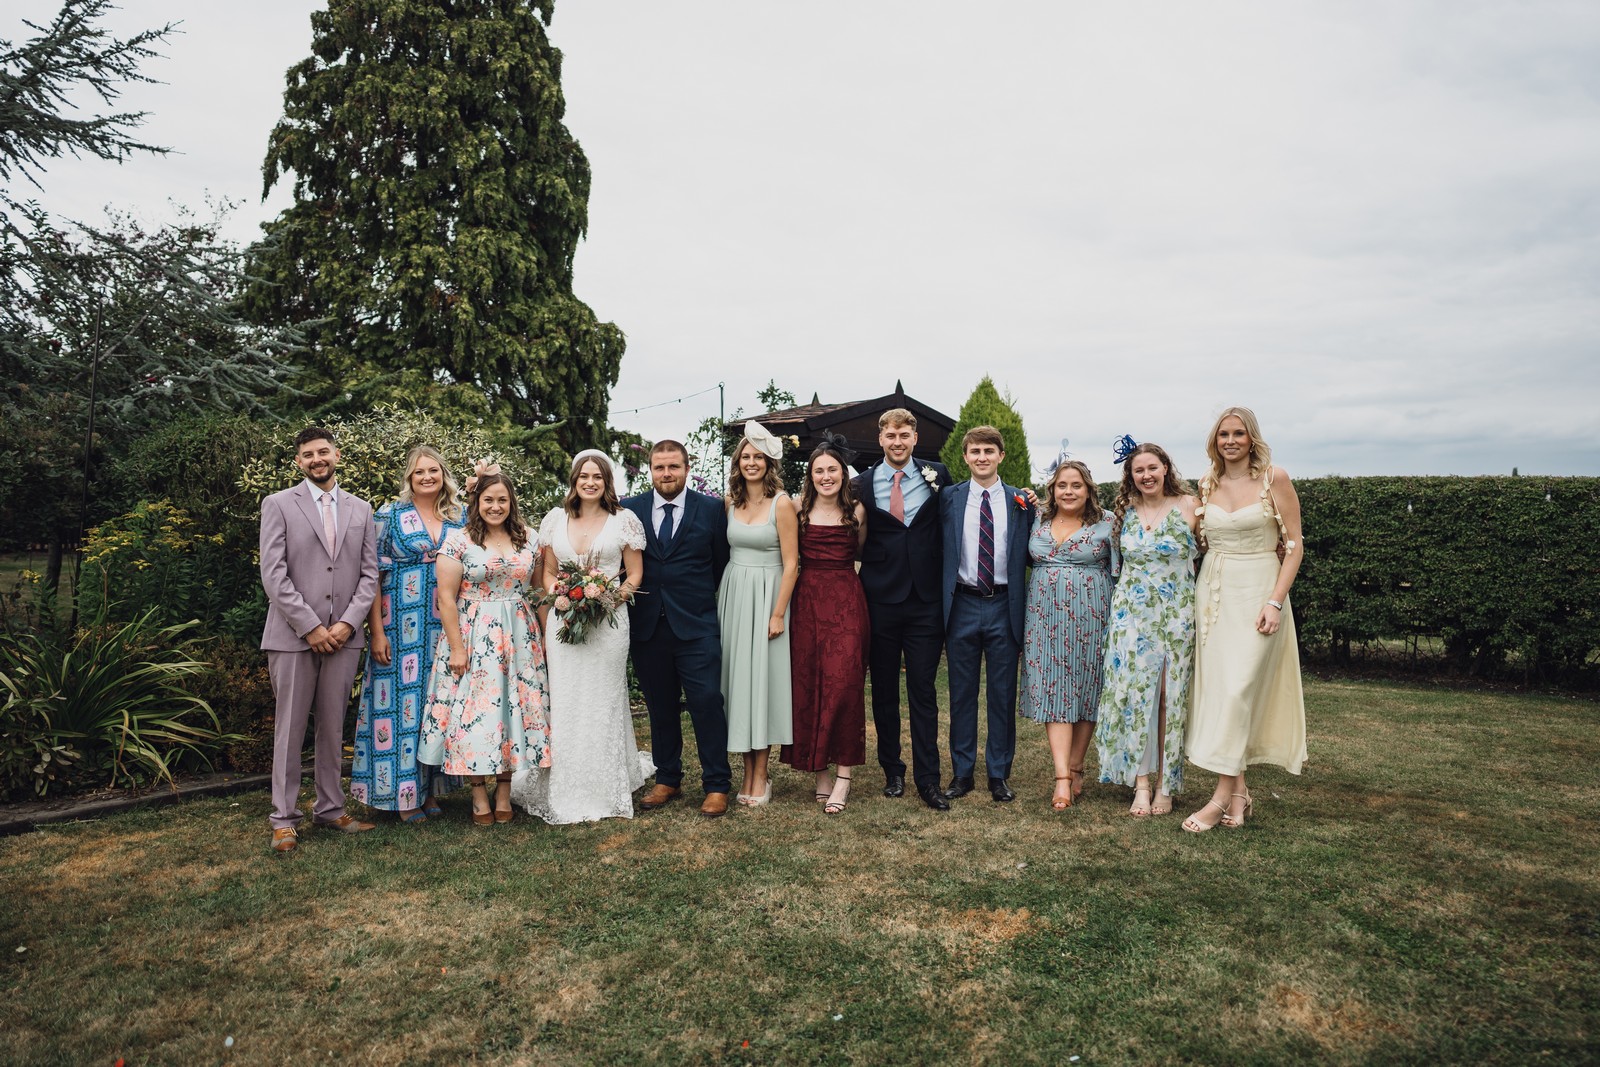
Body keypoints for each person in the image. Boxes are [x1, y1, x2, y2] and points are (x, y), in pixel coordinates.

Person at [1183, 407, 1308, 832]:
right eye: (1223, 434)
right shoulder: (1206, 483)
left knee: (1238, 691)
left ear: (1251, 438)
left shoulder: (1276, 479)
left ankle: (1219, 799)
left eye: (1238, 433)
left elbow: (1294, 547)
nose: (1231, 440)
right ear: (1215, 441)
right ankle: (1239, 794)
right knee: (1222, 693)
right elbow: (1196, 539)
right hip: (1213, 595)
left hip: (1258, 592)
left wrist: (1275, 602)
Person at [512, 451, 654, 823]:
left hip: (609, 624)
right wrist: (560, 597)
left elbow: (634, 575)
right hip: (563, 623)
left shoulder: (624, 520)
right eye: (583, 476)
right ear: (574, 481)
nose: (590, 482)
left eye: (597, 477)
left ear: (607, 482)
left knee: (604, 700)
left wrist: (608, 600)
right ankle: (563, 784)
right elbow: (547, 571)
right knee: (567, 700)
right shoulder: (556, 519)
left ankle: (607, 786)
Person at [259, 426, 379, 853]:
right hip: (293, 637)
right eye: (307, 454)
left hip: (344, 638)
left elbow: (369, 575)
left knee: (332, 728)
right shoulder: (277, 505)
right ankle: (284, 819)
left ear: (337, 455)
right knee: (289, 729)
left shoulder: (361, 510)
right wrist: (310, 626)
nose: (316, 459)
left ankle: (330, 807)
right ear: (298, 462)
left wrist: (348, 623)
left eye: (323, 451)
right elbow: (273, 575)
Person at [418, 473, 550, 825]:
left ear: (511, 503)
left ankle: (504, 791)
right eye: (488, 500)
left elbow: (537, 592)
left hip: (519, 634)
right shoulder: (459, 541)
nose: (495, 506)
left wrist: (546, 638)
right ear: (477, 503)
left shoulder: (530, 539)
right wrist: (457, 650)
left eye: (502, 500)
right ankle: (478, 794)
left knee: (512, 711)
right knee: (474, 713)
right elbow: (446, 599)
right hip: (472, 633)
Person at [350, 444, 464, 822]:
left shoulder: (458, 516)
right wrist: (376, 632)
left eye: (433, 470)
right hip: (399, 623)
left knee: (437, 705)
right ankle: (402, 796)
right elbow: (373, 576)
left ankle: (431, 789)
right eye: (419, 472)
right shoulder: (389, 515)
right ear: (409, 478)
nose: (427, 477)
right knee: (398, 708)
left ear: (443, 474)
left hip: (444, 625)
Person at [622, 440, 734, 817]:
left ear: (687, 469)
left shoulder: (713, 510)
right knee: (660, 706)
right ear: (650, 470)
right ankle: (667, 777)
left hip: (697, 623)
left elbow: (720, 563)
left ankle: (717, 783)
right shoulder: (630, 509)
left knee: (706, 703)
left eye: (673, 466)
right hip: (648, 625)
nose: (666, 474)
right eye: (659, 467)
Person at [849, 408, 954, 810]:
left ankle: (929, 779)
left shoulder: (937, 475)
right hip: (879, 598)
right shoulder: (861, 483)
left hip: (926, 600)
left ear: (914, 438)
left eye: (904, 435)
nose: (897, 442)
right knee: (885, 691)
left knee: (923, 691)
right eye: (890, 436)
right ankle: (893, 770)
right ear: (881, 440)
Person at [1095, 441, 1200, 816]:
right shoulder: (1124, 511)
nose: (1147, 475)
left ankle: (1166, 785)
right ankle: (1140, 783)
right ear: (1131, 476)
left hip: (1176, 612)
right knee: (1135, 694)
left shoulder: (1191, 506)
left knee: (1169, 696)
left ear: (1166, 468)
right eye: (1139, 470)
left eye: (1152, 468)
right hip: (1131, 614)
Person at [939, 425, 1036, 803]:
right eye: (975, 451)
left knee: (1001, 693)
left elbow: (1032, 550)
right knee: (961, 694)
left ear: (1001, 456)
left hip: (1003, 603)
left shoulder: (1020, 501)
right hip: (961, 602)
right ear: (965, 457)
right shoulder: (948, 497)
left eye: (989, 451)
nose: (982, 457)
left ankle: (999, 773)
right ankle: (962, 772)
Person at [780, 435, 868, 814]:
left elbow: (861, 550)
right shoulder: (797, 510)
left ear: (843, 473)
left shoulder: (858, 511)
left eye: (832, 469)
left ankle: (844, 776)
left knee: (845, 683)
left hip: (847, 599)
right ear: (810, 475)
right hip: (808, 601)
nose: (826, 476)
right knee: (810, 683)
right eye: (819, 470)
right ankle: (820, 775)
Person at [1020, 459, 1115, 810]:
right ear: (1052, 489)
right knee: (1055, 686)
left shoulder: (1108, 522)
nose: (1069, 491)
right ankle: (1062, 776)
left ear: (1088, 489)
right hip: (1044, 616)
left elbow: (1120, 570)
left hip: (1094, 614)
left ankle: (1077, 766)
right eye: (1062, 485)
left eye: (1076, 485)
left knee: (1088, 687)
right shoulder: (1037, 519)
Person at [719, 421, 799, 805]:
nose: (751, 463)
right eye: (745, 457)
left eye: (758, 457)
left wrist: (778, 613)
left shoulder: (781, 503)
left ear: (769, 462)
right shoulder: (730, 501)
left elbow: (792, 563)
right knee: (740, 684)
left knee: (763, 683)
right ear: (738, 463)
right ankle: (745, 771)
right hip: (734, 596)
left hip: (768, 597)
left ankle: (762, 776)